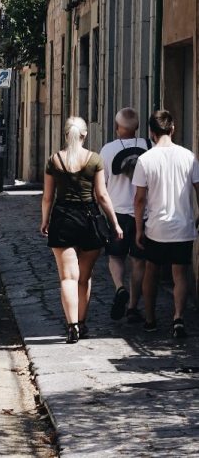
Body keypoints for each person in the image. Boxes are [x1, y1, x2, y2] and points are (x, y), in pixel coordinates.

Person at [41, 117, 123, 343]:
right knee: (84, 278)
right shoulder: (94, 160)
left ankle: (72, 326)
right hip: (89, 220)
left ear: (66, 134)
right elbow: (102, 196)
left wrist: (44, 220)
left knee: (67, 277)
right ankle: (82, 322)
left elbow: (48, 197)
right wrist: (114, 223)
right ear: (84, 135)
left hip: (63, 218)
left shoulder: (54, 160)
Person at [132, 110, 199, 338]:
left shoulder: (145, 159)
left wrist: (139, 229)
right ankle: (178, 317)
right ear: (173, 129)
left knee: (151, 271)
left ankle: (150, 319)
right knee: (180, 274)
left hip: (156, 228)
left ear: (151, 132)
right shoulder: (188, 157)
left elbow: (140, 199)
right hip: (182, 227)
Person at [98, 108, 148, 322]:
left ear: (117, 127)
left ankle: (119, 288)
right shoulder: (148, 147)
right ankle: (133, 307)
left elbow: (102, 185)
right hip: (143, 214)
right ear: (136, 127)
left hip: (116, 213)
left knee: (115, 257)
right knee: (138, 261)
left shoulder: (107, 151)